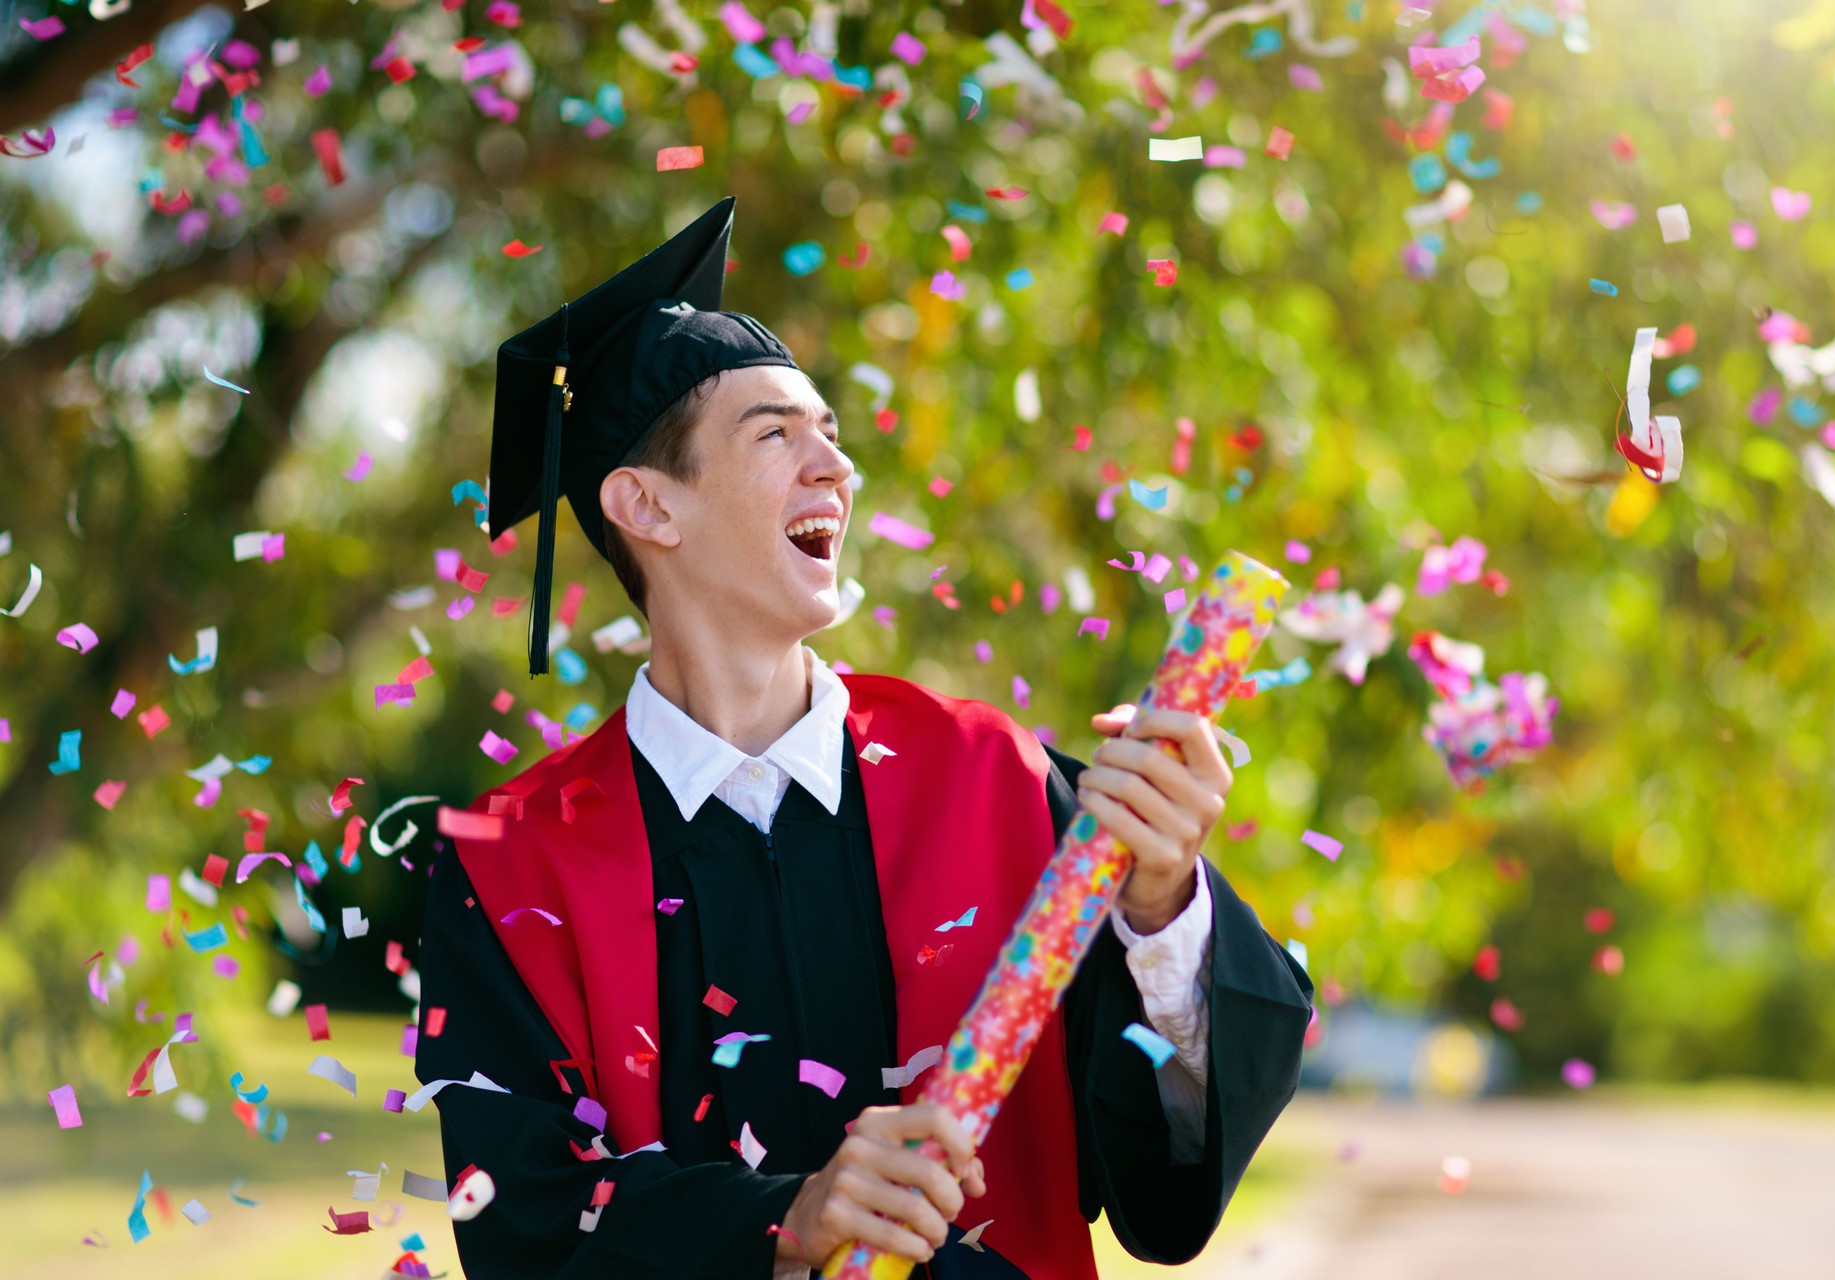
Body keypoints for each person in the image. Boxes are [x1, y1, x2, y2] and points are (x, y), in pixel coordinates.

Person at [414, 197, 1314, 1279]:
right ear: (647, 506)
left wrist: (1162, 903)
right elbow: (522, 1217)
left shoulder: (997, 778)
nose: (834, 467)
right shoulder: (512, 859)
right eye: (776, 434)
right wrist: (787, 1218)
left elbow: (1161, 1169)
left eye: (832, 434)